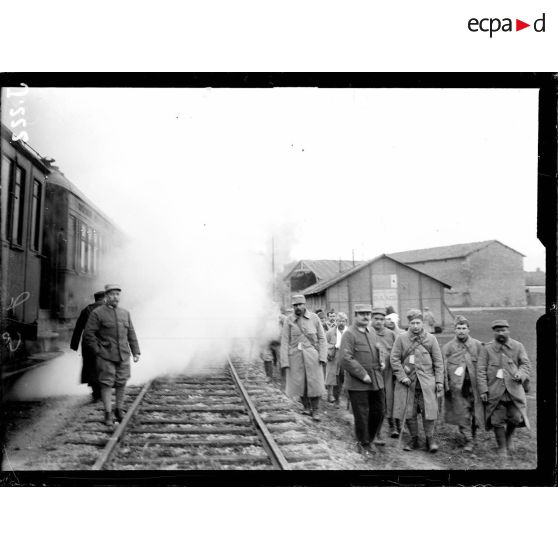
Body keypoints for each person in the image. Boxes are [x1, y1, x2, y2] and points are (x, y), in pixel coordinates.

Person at [84, 284, 140, 426]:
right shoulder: (97, 313)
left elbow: (131, 334)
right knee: (107, 384)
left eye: (117, 294)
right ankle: (108, 413)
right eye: (112, 294)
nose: (115, 297)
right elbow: (88, 335)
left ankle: (119, 410)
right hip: (106, 356)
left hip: (123, 355)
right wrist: (98, 351)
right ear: (106, 296)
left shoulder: (125, 313)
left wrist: (136, 351)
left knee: (122, 382)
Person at [390, 309, 444, 452]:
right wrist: (402, 376)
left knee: (429, 412)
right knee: (409, 413)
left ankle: (430, 439)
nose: (415, 326)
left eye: (418, 323)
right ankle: (414, 439)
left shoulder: (431, 339)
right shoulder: (401, 339)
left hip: (427, 383)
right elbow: (394, 359)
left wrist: (439, 381)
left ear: (422, 323)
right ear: (408, 323)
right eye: (412, 323)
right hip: (408, 384)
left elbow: (438, 362)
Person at [477, 319, 531, 457]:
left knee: (516, 417)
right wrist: (483, 389)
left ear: (508, 331)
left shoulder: (518, 346)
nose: (500, 333)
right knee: (497, 420)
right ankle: (502, 448)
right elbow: (481, 370)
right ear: (494, 332)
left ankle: (509, 438)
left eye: (503, 330)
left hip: (514, 390)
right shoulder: (486, 348)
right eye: (497, 331)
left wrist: (521, 374)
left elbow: (526, 365)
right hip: (495, 391)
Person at [340, 304, 385, 455]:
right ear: (355, 315)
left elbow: (378, 349)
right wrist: (362, 374)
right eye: (362, 314)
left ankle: (370, 439)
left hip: (375, 380)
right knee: (362, 414)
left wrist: (382, 360)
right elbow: (345, 359)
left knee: (379, 411)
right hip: (358, 383)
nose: (366, 317)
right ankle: (363, 443)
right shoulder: (349, 334)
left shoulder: (371, 332)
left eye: (368, 314)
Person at [280, 294, 327, 421]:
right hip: (295, 356)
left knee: (315, 383)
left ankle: (316, 410)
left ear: (305, 305)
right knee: (300, 383)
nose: (298, 307)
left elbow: (322, 338)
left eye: (300, 304)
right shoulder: (288, 320)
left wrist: (323, 356)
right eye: (295, 305)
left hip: (313, 356)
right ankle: (306, 407)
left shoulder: (314, 318)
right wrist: (284, 361)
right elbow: (284, 341)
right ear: (293, 307)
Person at [442, 316, 484, 452]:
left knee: (475, 414)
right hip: (457, 388)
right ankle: (469, 440)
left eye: (464, 328)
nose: (461, 331)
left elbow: (485, 367)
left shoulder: (478, 345)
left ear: (468, 329)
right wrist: (445, 386)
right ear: (454, 330)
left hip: (474, 387)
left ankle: (473, 436)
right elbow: (442, 368)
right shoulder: (448, 347)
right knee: (462, 414)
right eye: (458, 328)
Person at [70, 290, 106, 402]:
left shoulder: (86, 310)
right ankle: (101, 391)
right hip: (102, 342)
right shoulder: (108, 309)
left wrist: (74, 345)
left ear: (95, 299)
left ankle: (95, 392)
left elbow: (78, 328)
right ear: (104, 298)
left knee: (90, 367)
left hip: (88, 343)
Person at [370, 307, 399, 440]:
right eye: (376, 319)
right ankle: (377, 431)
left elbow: (397, 353)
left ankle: (392, 425)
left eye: (382, 319)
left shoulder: (390, 334)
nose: (379, 322)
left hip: (388, 373)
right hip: (372, 374)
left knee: (389, 399)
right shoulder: (367, 332)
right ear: (372, 319)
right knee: (375, 403)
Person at [325, 312, 348, 408]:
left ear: (346, 322)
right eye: (339, 321)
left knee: (347, 379)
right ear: (336, 321)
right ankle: (337, 400)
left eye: (343, 321)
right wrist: (334, 346)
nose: (341, 323)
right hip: (335, 357)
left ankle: (349, 403)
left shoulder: (349, 332)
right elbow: (325, 344)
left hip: (347, 358)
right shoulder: (330, 332)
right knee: (336, 379)